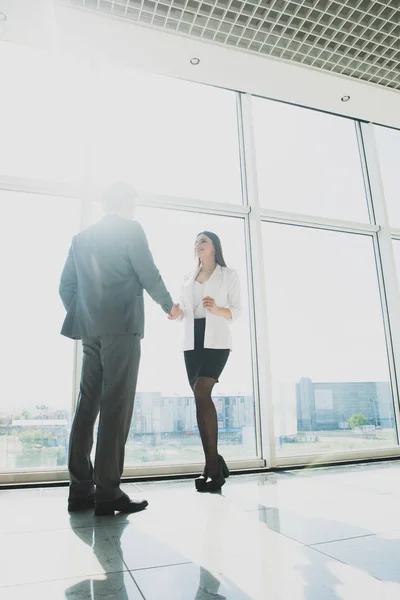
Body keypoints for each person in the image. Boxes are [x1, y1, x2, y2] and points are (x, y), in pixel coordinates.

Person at [59, 182, 180, 515]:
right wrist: (169, 305)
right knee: (116, 405)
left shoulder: (80, 239)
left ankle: (79, 489)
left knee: (87, 404)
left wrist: (86, 313)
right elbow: (148, 273)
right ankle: (108, 492)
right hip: (122, 329)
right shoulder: (130, 229)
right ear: (126, 203)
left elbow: (65, 285)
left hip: (90, 330)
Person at [169, 231, 241, 492]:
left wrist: (217, 309)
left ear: (214, 247)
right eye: (196, 242)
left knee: (202, 391)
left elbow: (237, 310)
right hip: (192, 342)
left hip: (216, 340)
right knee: (200, 398)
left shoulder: (228, 274)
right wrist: (176, 313)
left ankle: (212, 466)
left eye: (203, 241)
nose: (197, 245)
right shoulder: (188, 278)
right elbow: (185, 311)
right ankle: (212, 464)